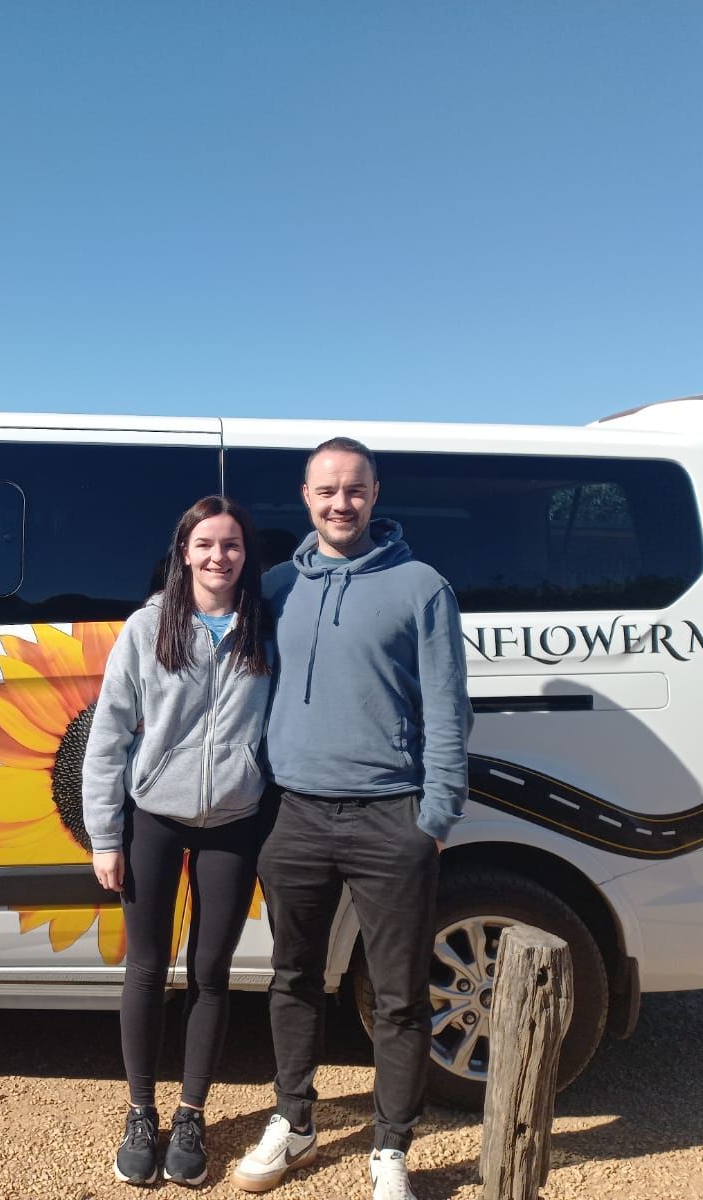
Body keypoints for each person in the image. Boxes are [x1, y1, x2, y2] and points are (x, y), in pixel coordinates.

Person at [231, 438, 472, 1200]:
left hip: (389, 818)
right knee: (293, 976)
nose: (342, 503)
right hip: (292, 816)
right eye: (328, 490)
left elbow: (447, 710)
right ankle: (295, 1122)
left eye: (356, 490)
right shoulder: (272, 587)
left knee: (398, 996)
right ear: (305, 495)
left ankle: (391, 1148)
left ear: (376, 494)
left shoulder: (421, 587)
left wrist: (433, 817)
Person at [82, 495, 274, 1188]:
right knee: (145, 966)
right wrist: (107, 837)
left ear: (245, 555)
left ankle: (191, 1114)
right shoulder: (146, 627)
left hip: (235, 818)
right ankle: (141, 1112)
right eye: (205, 544)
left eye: (231, 545)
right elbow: (107, 739)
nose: (218, 556)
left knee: (211, 971)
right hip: (154, 818)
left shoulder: (263, 627)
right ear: (183, 552)